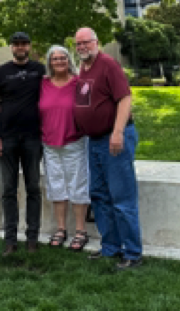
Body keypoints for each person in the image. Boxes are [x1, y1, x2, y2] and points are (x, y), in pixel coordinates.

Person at [73, 27, 143, 270]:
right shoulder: (83, 68)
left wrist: (118, 132)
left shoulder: (108, 65)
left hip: (113, 139)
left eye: (86, 42)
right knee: (99, 194)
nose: (82, 47)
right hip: (94, 141)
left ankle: (133, 253)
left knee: (122, 196)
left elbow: (124, 98)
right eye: (78, 44)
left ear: (97, 42)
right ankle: (111, 247)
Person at [0, 31, 46, 255]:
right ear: (11, 47)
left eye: (24, 44)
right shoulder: (2, 72)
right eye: (16, 44)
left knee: (33, 188)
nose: (20, 47)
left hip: (33, 138)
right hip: (7, 138)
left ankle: (32, 239)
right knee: (9, 190)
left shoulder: (39, 70)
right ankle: (10, 240)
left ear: (29, 46)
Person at [40, 45, 91, 251]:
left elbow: (89, 109)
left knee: (78, 185)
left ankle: (81, 231)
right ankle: (61, 229)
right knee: (56, 186)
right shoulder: (42, 84)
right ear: (49, 63)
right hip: (49, 143)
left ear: (69, 61)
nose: (59, 61)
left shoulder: (80, 83)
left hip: (74, 142)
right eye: (55, 59)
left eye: (63, 58)